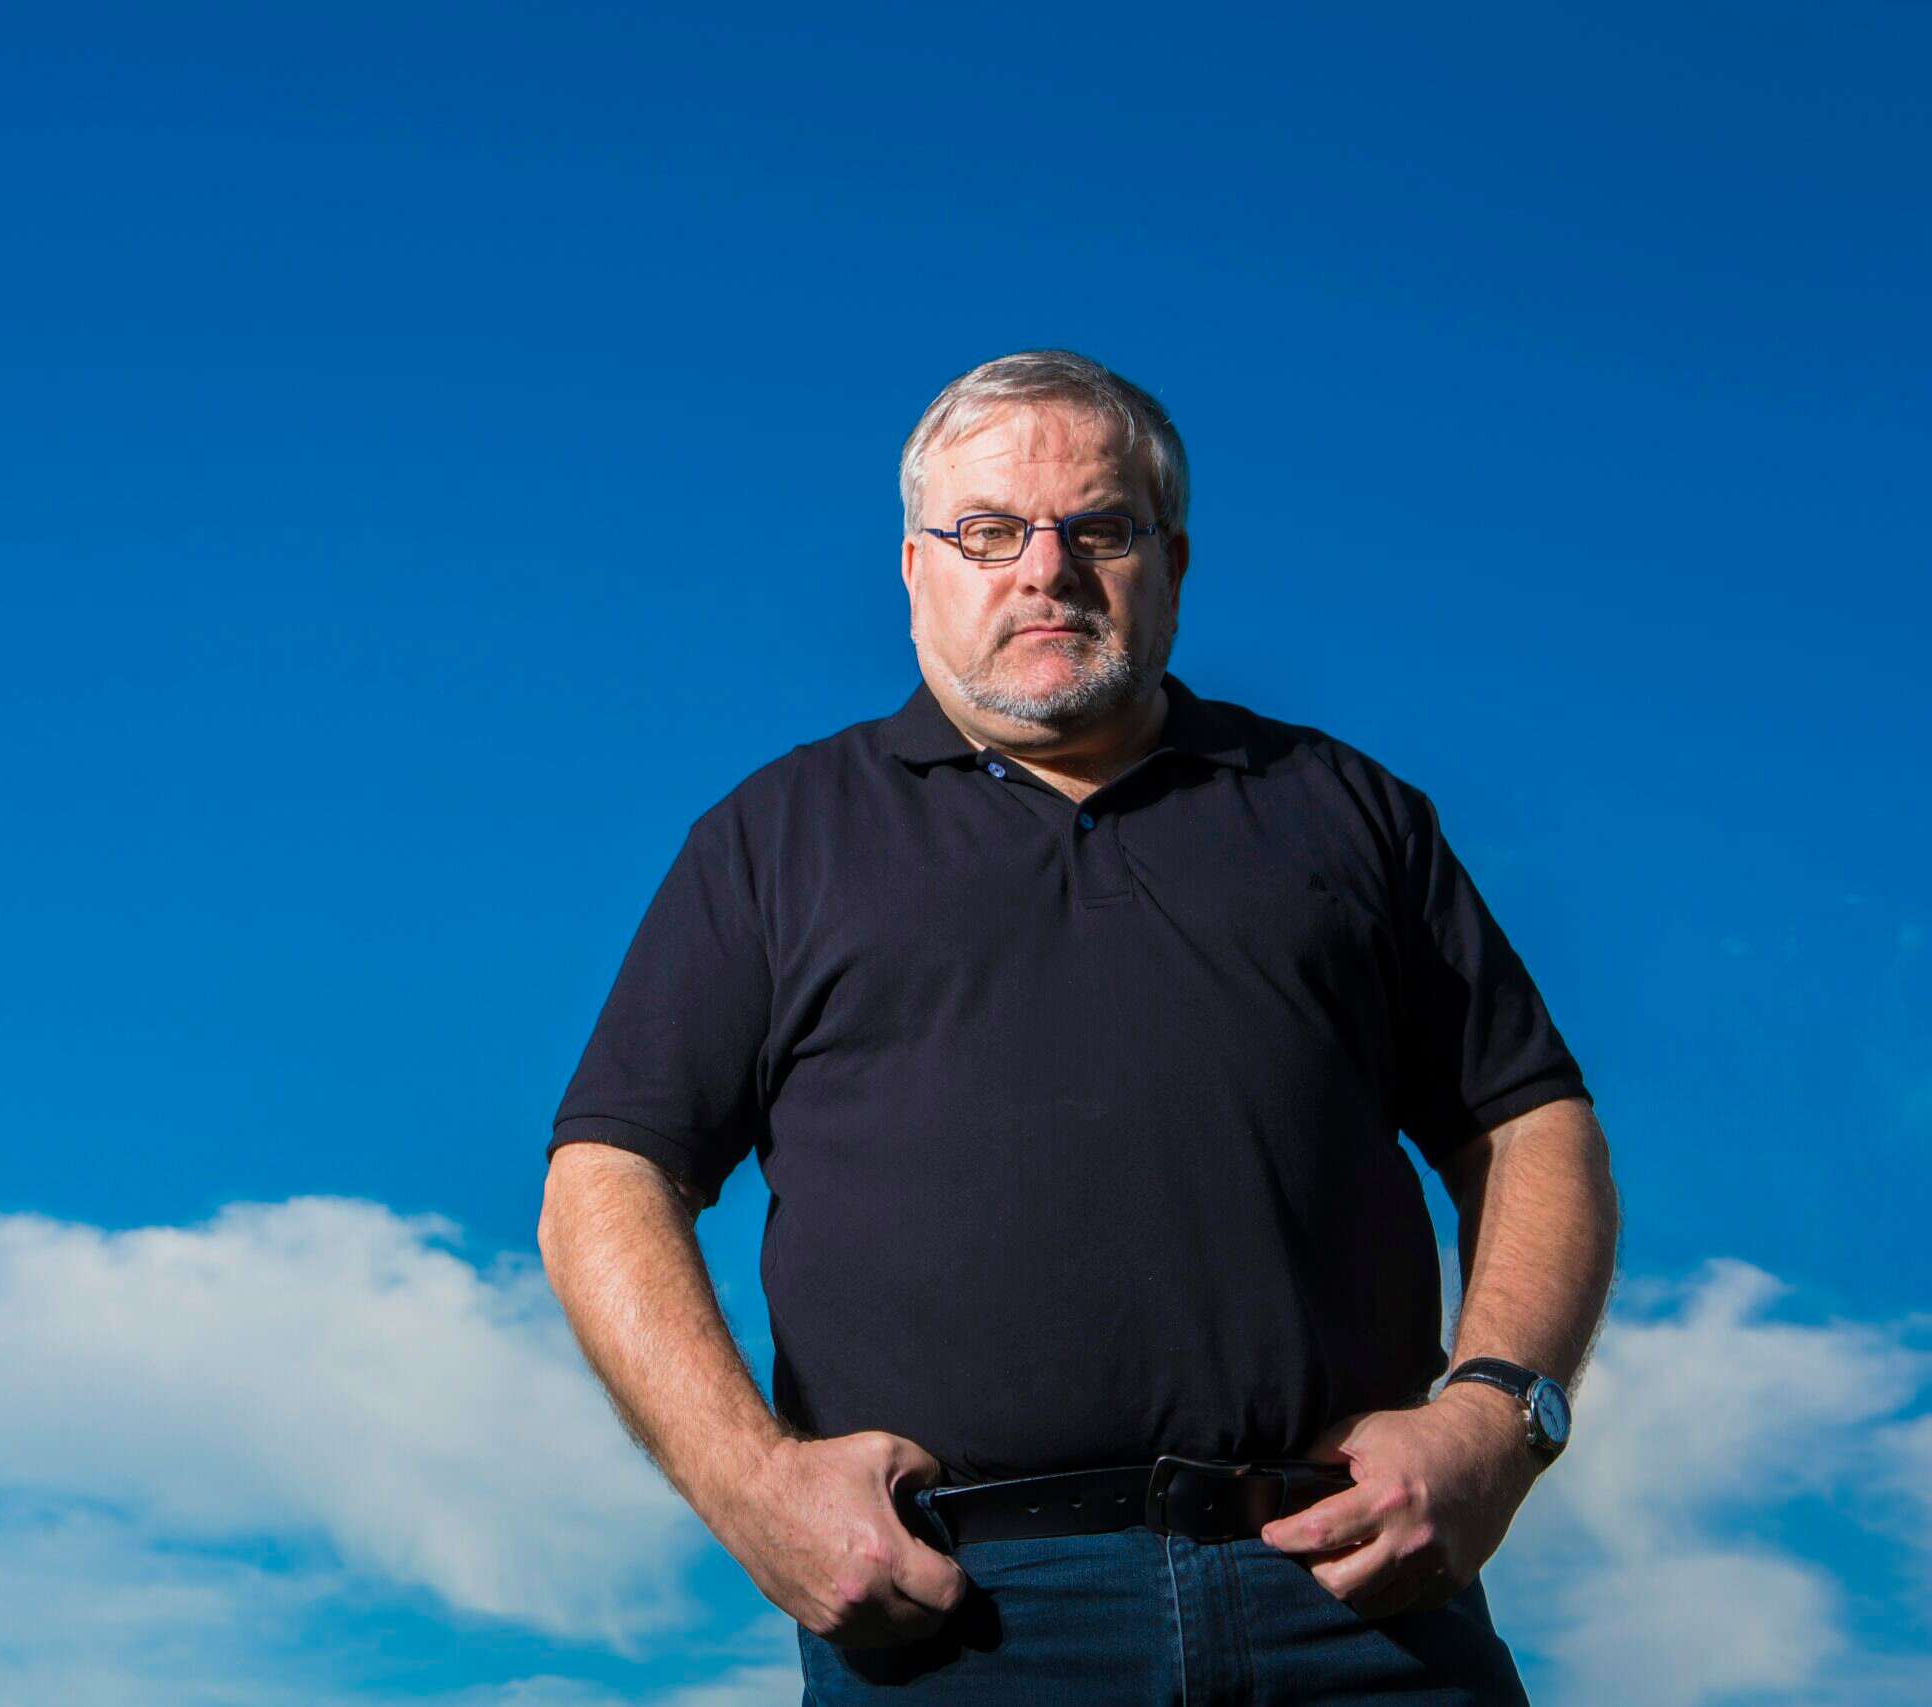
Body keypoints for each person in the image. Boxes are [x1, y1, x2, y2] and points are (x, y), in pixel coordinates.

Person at [535, 349, 1619, 1705]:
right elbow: (607, 1177)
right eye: (989, 532)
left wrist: (1499, 1420)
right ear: (916, 569)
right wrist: (747, 1483)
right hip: (959, 1622)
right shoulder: (776, 839)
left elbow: (1530, 1125)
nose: (1046, 570)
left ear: (1172, 562)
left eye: (1099, 529)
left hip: (1358, 1602)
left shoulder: (1343, 810)